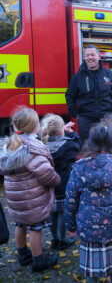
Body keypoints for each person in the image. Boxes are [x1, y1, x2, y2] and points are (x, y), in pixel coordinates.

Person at [64, 124, 112, 283]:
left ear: (90, 143)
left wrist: (70, 226)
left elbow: (70, 201)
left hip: (88, 228)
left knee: (91, 269)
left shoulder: (78, 169)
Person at [0, 107, 60, 272]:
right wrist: (56, 180)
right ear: (35, 127)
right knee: (35, 229)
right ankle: (39, 260)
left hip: (16, 199)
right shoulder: (33, 148)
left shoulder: (10, 145)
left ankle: (23, 255)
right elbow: (46, 173)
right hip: (32, 198)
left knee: (20, 225)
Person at [65, 44, 112, 142]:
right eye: (87, 55)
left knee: (108, 149)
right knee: (88, 151)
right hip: (86, 121)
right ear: (84, 57)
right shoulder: (78, 77)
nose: (90, 57)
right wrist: (77, 115)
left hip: (106, 120)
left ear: (98, 57)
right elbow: (69, 96)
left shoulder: (109, 75)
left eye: (92, 55)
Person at [40, 114, 82, 250]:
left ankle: (54, 240)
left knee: (52, 213)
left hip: (48, 185)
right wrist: (72, 133)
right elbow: (78, 146)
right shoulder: (68, 145)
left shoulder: (42, 144)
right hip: (63, 185)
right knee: (63, 213)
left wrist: (60, 129)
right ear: (61, 130)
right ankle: (62, 240)